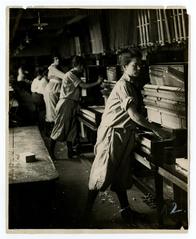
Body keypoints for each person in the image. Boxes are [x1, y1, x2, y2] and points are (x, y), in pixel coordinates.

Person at [85, 49, 170, 223]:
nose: (138, 68)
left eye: (140, 65)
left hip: (124, 133)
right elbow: (134, 115)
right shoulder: (123, 85)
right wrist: (155, 130)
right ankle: (85, 214)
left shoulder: (132, 84)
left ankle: (125, 211)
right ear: (124, 67)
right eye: (134, 65)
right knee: (102, 172)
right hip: (112, 133)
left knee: (121, 175)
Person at [48, 55, 103, 159]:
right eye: (82, 66)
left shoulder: (74, 74)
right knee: (60, 128)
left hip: (72, 103)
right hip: (66, 104)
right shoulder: (70, 74)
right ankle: (50, 153)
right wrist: (98, 82)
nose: (83, 69)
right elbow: (83, 86)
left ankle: (70, 152)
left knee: (72, 130)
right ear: (78, 65)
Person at [43, 56, 64, 135]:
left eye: (58, 58)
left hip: (54, 91)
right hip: (51, 91)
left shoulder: (56, 67)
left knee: (54, 111)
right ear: (53, 60)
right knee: (52, 112)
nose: (58, 60)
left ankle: (53, 133)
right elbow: (64, 76)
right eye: (56, 59)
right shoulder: (52, 68)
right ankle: (53, 134)